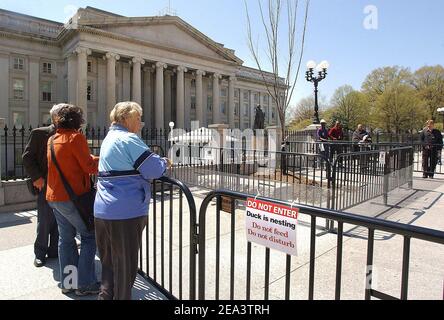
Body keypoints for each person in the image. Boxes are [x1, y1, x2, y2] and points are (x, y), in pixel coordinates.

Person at [94, 102, 170, 300]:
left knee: (109, 264)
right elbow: (153, 169)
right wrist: (164, 162)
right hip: (125, 212)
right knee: (125, 269)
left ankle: (105, 296)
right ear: (126, 119)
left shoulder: (109, 138)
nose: (140, 123)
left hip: (103, 210)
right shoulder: (129, 139)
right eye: (138, 119)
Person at [46, 104, 100, 296]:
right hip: (73, 199)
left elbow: (67, 161)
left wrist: (89, 157)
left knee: (66, 239)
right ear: (76, 121)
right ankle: (85, 284)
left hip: (54, 197)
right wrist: (101, 158)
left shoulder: (52, 139)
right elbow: (89, 167)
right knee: (89, 236)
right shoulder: (76, 138)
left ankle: (69, 282)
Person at [22, 105, 64, 268]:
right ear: (55, 118)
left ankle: (54, 251)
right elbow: (27, 157)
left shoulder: (70, 134)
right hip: (45, 184)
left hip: (63, 185)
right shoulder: (39, 133)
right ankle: (40, 253)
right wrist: (37, 178)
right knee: (45, 220)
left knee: (60, 220)